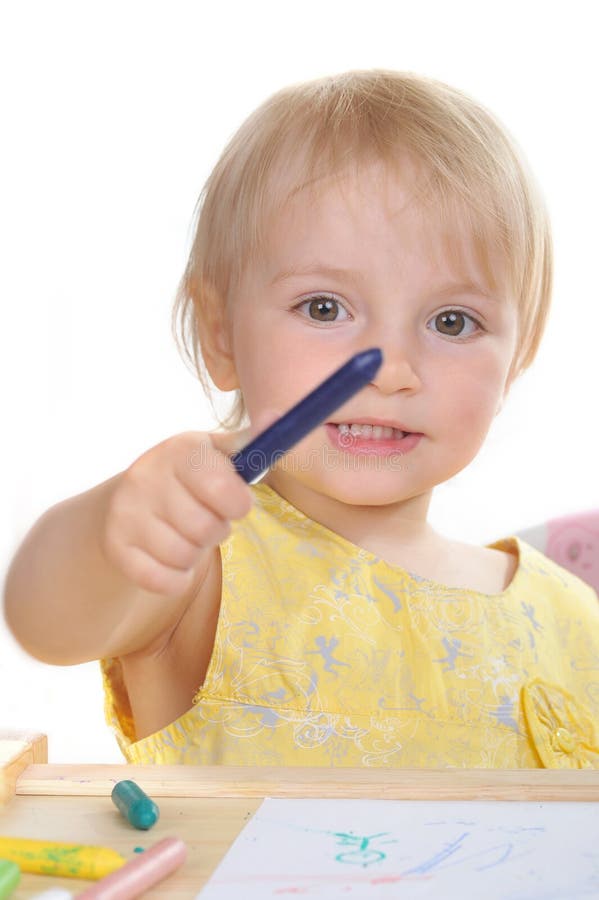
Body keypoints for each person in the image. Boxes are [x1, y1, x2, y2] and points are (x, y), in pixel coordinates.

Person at [4, 70, 598, 769]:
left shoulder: (573, 615)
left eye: (451, 320)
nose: (388, 368)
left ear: (518, 354)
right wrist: (116, 531)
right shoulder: (206, 562)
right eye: (324, 308)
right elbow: (48, 622)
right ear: (220, 335)